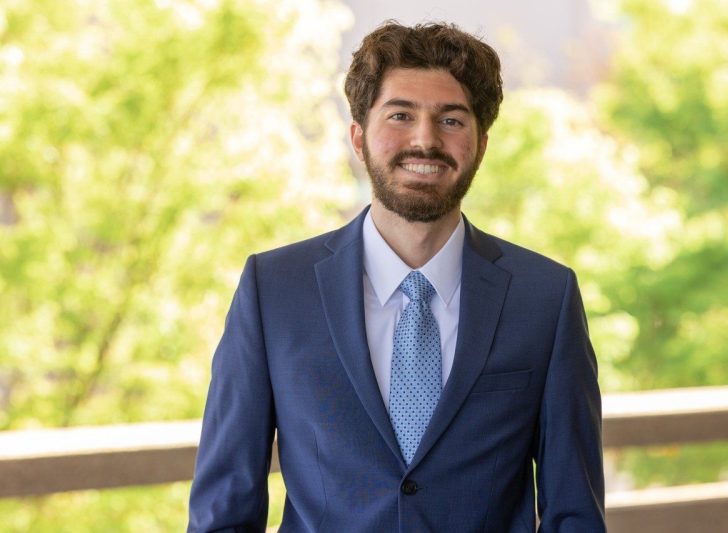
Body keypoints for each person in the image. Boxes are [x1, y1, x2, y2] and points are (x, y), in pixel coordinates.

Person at [188, 21, 605, 532]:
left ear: (481, 144)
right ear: (359, 139)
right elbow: (223, 511)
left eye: (451, 120)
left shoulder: (545, 297)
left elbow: (575, 515)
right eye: (400, 115)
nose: (425, 140)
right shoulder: (272, 290)